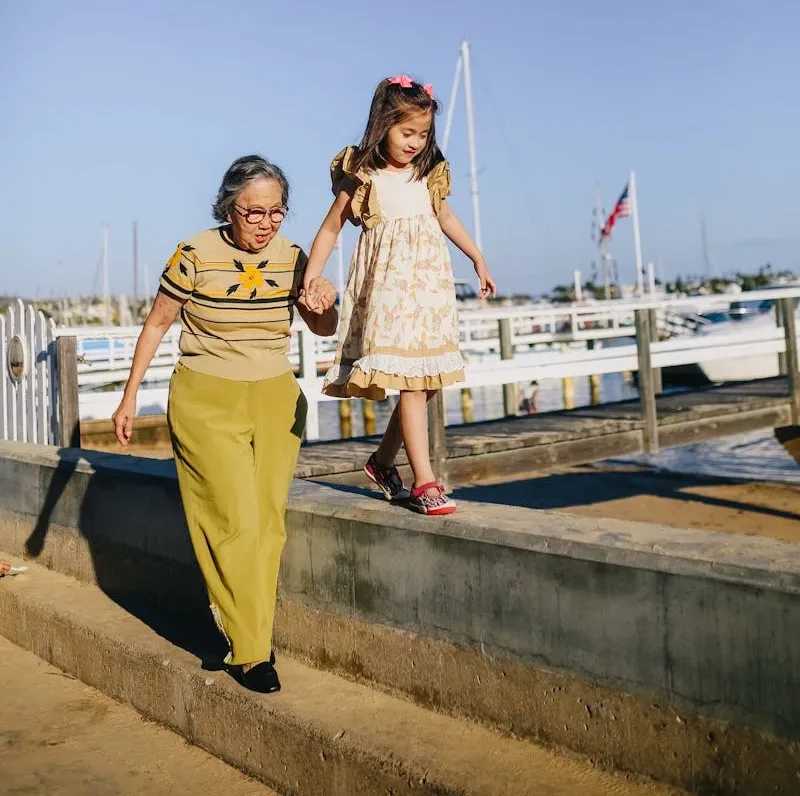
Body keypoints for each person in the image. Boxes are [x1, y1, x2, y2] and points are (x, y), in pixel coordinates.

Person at [111, 156, 338, 694]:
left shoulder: (294, 257)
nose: (265, 223)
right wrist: (128, 397)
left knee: (267, 524)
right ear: (228, 207)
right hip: (206, 397)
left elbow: (322, 326)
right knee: (232, 521)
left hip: (276, 399)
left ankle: (251, 633)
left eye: (276, 212)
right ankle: (251, 650)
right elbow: (158, 323)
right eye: (252, 212)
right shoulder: (195, 254)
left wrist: (326, 302)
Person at [302, 75, 496, 516]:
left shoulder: (428, 173)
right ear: (382, 125)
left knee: (426, 383)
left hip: (428, 291)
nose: (415, 142)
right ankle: (424, 480)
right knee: (413, 382)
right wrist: (313, 278)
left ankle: (382, 462)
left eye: (423, 134)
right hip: (389, 291)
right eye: (407, 132)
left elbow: (445, 217)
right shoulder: (363, 175)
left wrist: (477, 258)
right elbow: (332, 228)